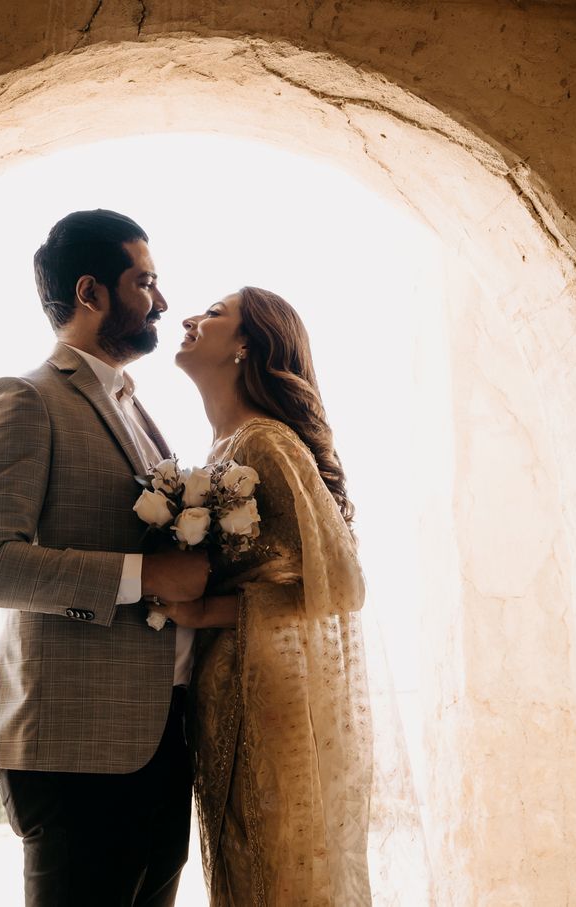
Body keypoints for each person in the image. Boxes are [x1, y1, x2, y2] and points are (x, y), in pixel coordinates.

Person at [0, 209, 209, 907]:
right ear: (92, 292)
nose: (161, 302)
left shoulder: (135, 406)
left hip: (162, 739)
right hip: (76, 747)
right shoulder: (25, 399)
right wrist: (145, 575)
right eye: (146, 282)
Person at [155, 286, 373, 905]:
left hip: (267, 686)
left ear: (247, 345)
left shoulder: (265, 443)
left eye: (215, 313)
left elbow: (339, 585)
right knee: (241, 861)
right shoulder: (223, 450)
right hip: (224, 680)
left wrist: (203, 609)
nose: (192, 318)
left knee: (274, 860)